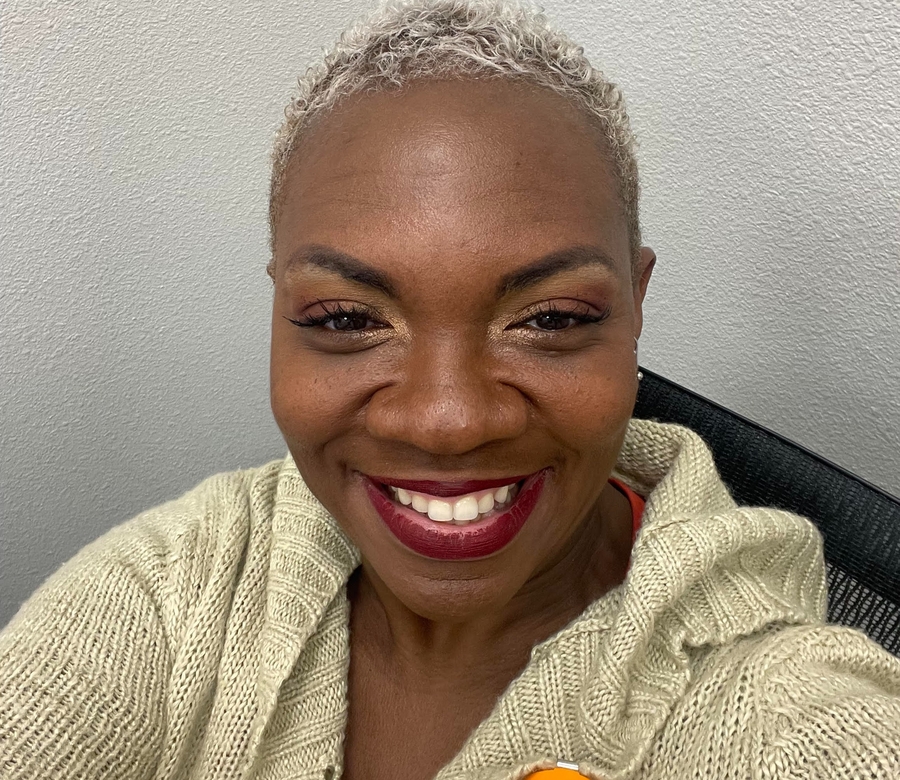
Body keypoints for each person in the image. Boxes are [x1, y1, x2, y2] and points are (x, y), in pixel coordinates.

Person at [2, 1, 899, 778]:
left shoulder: (786, 716)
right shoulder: (175, 593)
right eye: (347, 319)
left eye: (548, 318)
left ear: (636, 303)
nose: (447, 421)